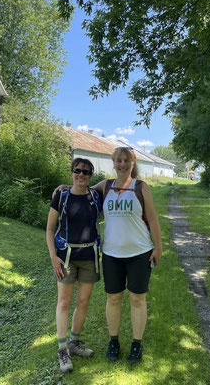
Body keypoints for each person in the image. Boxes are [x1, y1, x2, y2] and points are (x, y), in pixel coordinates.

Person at [54, 147, 163, 364]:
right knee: (113, 298)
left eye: (126, 161)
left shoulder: (141, 187)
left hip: (139, 252)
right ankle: (113, 341)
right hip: (111, 254)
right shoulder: (106, 186)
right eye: (118, 160)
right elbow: (82, 189)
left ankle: (136, 344)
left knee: (137, 299)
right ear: (113, 163)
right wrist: (65, 187)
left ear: (133, 163)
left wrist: (158, 247)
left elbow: (152, 219)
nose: (122, 164)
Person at [46, 158, 102, 373]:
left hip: (89, 256)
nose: (81, 175)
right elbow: (50, 229)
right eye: (77, 171)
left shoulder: (95, 196)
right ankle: (62, 350)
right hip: (65, 257)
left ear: (91, 175)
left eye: (86, 172)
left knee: (84, 301)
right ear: (71, 172)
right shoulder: (61, 196)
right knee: (64, 302)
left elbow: (112, 182)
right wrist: (53, 256)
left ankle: (74, 342)